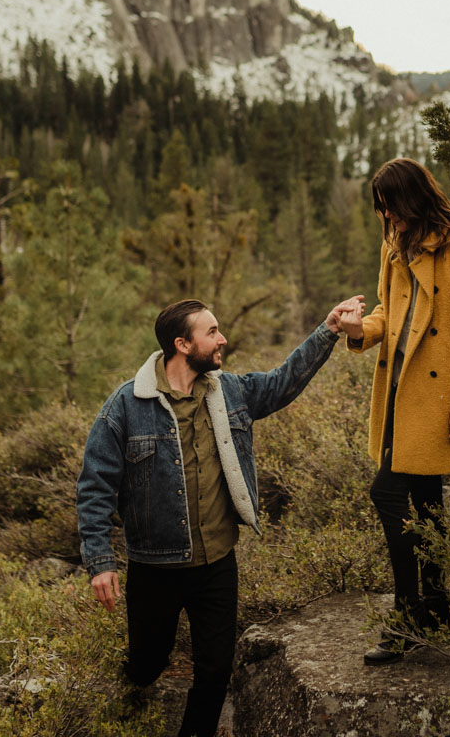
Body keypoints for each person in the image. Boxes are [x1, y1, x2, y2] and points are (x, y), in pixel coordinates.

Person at [77, 295, 363, 737]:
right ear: (182, 345)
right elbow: (95, 486)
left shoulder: (228, 390)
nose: (222, 339)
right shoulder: (126, 406)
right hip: (155, 566)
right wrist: (100, 562)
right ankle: (132, 690)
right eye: (211, 332)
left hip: (217, 563)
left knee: (214, 670)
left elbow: (283, 381)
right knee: (148, 665)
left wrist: (328, 330)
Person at [336, 157, 450, 665]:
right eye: (381, 209)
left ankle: (407, 617)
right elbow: (389, 312)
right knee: (424, 499)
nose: (387, 217)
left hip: (440, 394)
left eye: (392, 206)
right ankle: (438, 604)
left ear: (416, 199)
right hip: (399, 390)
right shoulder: (394, 246)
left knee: (387, 491)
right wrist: (360, 330)